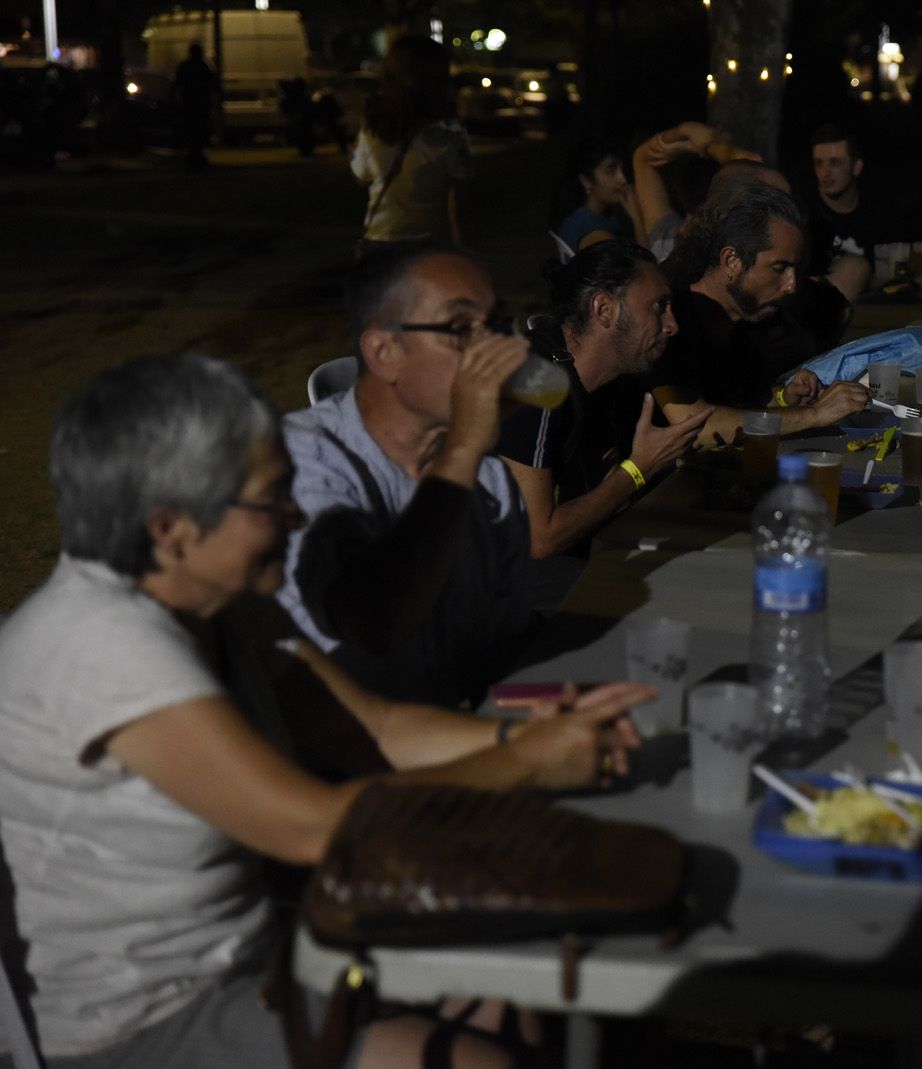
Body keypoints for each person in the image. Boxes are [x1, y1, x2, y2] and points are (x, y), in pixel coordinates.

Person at [0, 353, 650, 1067]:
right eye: (270, 499)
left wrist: (527, 733)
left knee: (522, 977)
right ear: (170, 529)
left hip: (260, 949)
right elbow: (315, 829)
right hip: (144, 1021)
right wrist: (527, 761)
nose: (297, 513)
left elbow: (379, 728)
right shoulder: (103, 645)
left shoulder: (219, 606)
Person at [278, 241, 569, 707]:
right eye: (460, 328)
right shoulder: (299, 463)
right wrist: (464, 446)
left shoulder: (491, 484)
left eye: (499, 325)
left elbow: (497, 653)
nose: (502, 350)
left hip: (455, 743)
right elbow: (372, 623)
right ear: (384, 351)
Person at [497, 242, 709, 559]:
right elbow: (539, 538)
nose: (672, 325)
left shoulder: (613, 381)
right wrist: (641, 468)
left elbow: (604, 489)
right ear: (604, 310)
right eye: (658, 306)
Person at [651, 179, 869, 446]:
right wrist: (815, 414)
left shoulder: (750, 319)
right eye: (779, 268)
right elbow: (697, 426)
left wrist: (784, 398)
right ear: (731, 260)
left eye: (796, 271)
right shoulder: (670, 322)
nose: (791, 286)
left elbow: (743, 405)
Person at [352, 35, 470, 247]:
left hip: (380, 239)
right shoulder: (448, 135)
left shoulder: (373, 130)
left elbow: (361, 175)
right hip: (428, 244)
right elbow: (456, 202)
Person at [629, 120, 765, 261]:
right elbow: (755, 163)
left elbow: (642, 158)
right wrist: (713, 147)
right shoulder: (728, 255)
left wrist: (686, 131)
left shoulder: (664, 240)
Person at [806, 123, 874, 300]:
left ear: (856, 167)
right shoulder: (804, 211)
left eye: (835, 163)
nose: (825, 172)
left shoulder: (874, 209)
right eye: (818, 163)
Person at [550, 141, 640, 253]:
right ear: (586, 181)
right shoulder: (593, 233)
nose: (623, 179)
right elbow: (645, 267)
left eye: (621, 170)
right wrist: (636, 217)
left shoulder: (597, 214)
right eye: (611, 172)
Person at [172, 43, 217, 171]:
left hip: (190, 104)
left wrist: (174, 101)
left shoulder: (186, 66)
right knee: (199, 131)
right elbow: (212, 84)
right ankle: (197, 156)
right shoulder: (203, 66)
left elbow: (177, 84)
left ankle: (194, 157)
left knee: (193, 131)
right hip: (199, 104)